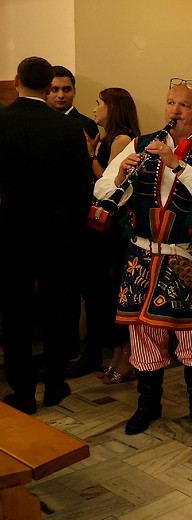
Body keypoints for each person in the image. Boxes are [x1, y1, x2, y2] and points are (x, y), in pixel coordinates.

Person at [94, 78, 192, 434]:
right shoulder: (141, 144)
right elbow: (102, 189)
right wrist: (121, 175)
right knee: (143, 334)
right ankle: (148, 405)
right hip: (142, 256)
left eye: (184, 105)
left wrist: (177, 164)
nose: (175, 110)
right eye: (171, 102)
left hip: (186, 258)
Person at [0, 56, 93, 414]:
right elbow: (82, 189)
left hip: (10, 231)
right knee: (58, 309)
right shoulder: (68, 129)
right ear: (46, 87)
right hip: (57, 232)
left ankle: (22, 392)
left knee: (14, 313)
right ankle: (55, 385)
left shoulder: (2, 122)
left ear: (16, 81)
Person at [76, 88, 142, 384]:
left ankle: (126, 354)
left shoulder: (123, 140)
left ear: (112, 108)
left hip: (115, 226)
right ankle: (116, 352)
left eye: (98, 103)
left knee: (117, 289)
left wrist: (90, 155)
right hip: (101, 226)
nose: (94, 109)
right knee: (104, 291)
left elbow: (110, 181)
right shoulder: (107, 137)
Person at [47, 65, 102, 371]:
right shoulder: (41, 122)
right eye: (54, 89)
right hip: (51, 220)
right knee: (58, 291)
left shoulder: (86, 125)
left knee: (86, 288)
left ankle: (89, 351)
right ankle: (62, 350)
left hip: (81, 219)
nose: (60, 95)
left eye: (66, 89)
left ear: (74, 91)